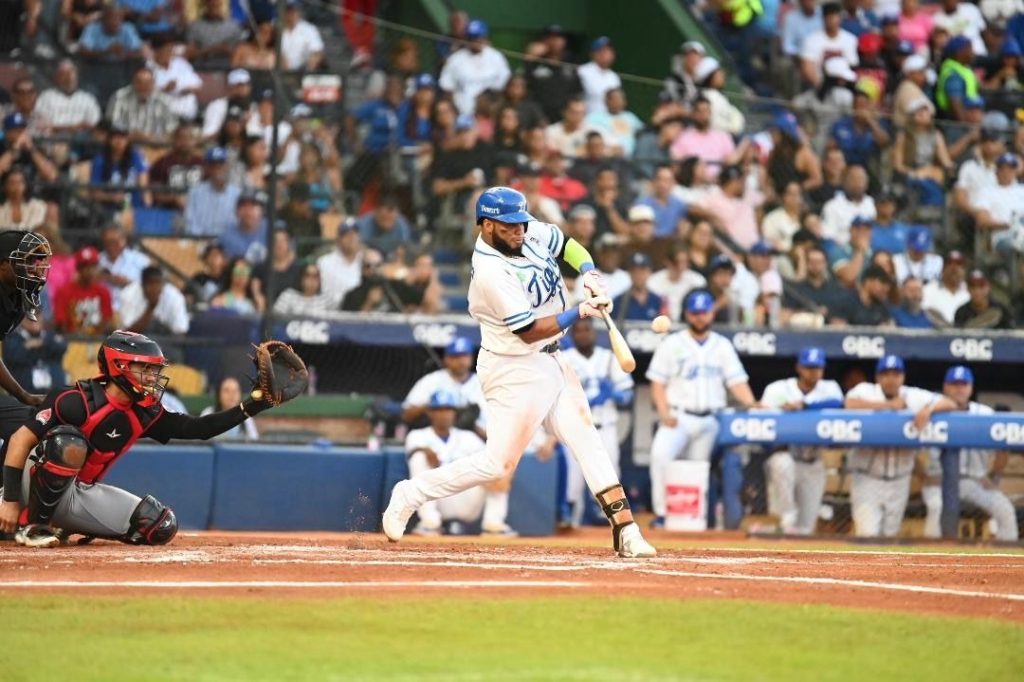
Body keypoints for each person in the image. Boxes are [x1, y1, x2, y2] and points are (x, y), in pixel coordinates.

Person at [383, 187, 656, 558]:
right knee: (498, 464)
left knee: (585, 436)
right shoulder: (490, 272)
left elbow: (568, 246)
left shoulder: (526, 231)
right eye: (509, 227)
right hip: (513, 367)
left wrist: (589, 273)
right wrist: (580, 310)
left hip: (553, 359)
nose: (519, 232)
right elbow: (529, 330)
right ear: (487, 225)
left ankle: (626, 530)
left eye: (521, 225)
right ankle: (410, 493)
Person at [0, 330, 284, 547]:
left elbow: (198, 429)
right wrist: (10, 500)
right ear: (118, 366)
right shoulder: (74, 399)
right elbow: (19, 441)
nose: (152, 377)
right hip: (26, 484)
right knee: (69, 444)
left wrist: (253, 404)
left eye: (154, 369)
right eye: (145, 368)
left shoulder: (146, 412)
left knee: (159, 525)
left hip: (76, 493)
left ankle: (66, 523)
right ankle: (32, 525)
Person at [646, 290, 757, 527]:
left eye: (703, 313)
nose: (699, 318)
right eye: (695, 313)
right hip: (678, 416)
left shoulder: (722, 346)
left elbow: (736, 381)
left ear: (711, 314)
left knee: (698, 469)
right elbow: (657, 383)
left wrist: (751, 402)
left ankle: (693, 519)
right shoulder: (672, 343)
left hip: (709, 420)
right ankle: (663, 513)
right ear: (687, 314)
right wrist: (664, 413)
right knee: (660, 455)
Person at [843, 354, 957, 538]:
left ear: (903, 377)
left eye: (896, 374)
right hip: (868, 478)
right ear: (878, 377)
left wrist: (928, 410)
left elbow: (950, 403)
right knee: (867, 534)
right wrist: (888, 405)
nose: (891, 378)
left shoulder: (913, 395)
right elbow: (849, 403)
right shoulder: (866, 391)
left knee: (890, 537)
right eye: (886, 374)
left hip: (900, 480)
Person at [921, 366, 1019, 541]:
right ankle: (932, 560)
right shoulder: (932, 413)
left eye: (963, 384)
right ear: (945, 387)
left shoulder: (984, 414)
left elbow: (1003, 446)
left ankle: (1005, 561)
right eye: (954, 384)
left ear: (971, 387)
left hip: (974, 481)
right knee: (936, 508)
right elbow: (909, 446)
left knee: (1005, 510)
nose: (959, 388)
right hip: (939, 481)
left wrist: (994, 476)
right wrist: (923, 476)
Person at [404, 389, 515, 537]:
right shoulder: (418, 435)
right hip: (436, 497)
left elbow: (494, 458)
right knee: (419, 457)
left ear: (455, 413)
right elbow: (413, 452)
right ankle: (429, 523)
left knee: (497, 468)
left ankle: (493, 524)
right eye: (439, 409)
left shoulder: (468, 437)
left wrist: (502, 475)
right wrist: (423, 450)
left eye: (448, 409)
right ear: (430, 412)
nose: (444, 414)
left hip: (467, 498)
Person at [760, 348, 844, 535]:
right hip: (786, 454)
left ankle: (796, 560)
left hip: (813, 461)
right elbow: (761, 423)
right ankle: (787, 514)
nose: (813, 372)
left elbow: (839, 403)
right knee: (782, 463)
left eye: (817, 368)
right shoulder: (777, 389)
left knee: (806, 528)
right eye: (808, 367)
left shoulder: (830, 388)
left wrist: (804, 407)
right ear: (799, 367)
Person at [561, 318, 634, 528]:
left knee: (610, 475)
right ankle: (570, 520)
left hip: (605, 426)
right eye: (579, 331)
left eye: (587, 330)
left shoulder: (609, 358)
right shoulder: (565, 359)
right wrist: (589, 400)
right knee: (573, 480)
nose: (583, 334)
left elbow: (627, 396)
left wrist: (614, 394)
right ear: (573, 335)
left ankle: (611, 522)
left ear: (594, 332)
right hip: (576, 428)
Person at [0, 231, 52, 440]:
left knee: (37, 425)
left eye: (38, 261)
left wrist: (23, 395)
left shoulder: (17, 297)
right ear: (4, 264)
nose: (36, 267)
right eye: (28, 260)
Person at [402, 336, 485, 434]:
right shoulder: (432, 380)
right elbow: (406, 415)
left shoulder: (485, 382)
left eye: (465, 355)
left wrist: (473, 427)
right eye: (456, 356)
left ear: (471, 358)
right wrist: (436, 405)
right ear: (446, 359)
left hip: (480, 441)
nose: (461, 361)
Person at [438, 19, 510, 116]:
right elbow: (447, 88)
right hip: (462, 114)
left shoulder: (496, 57)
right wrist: (455, 112)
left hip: (488, 115)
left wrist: (493, 109)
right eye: (472, 38)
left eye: (479, 37)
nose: (476, 41)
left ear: (485, 37)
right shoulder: (455, 59)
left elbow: (504, 86)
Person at [53, 246, 115, 336]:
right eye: (85, 267)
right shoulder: (64, 291)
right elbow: (61, 323)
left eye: (93, 266)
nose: (90, 271)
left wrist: (94, 337)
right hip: (72, 341)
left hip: (97, 340)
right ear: (78, 269)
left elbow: (107, 319)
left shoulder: (103, 292)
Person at [1, 315, 66, 396]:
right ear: (21, 319)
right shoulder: (12, 337)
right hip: (23, 398)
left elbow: (61, 346)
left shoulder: (49, 335)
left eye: (38, 315)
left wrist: (37, 343)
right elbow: (13, 356)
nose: (34, 319)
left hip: (53, 396)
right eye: (29, 317)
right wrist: (27, 347)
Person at [120, 265, 190, 336]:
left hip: (165, 341)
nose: (154, 288)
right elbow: (127, 333)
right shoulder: (129, 293)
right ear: (142, 284)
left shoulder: (175, 297)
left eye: (158, 283)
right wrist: (151, 307)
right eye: (150, 283)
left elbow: (181, 332)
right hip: (135, 342)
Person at [200, 377, 259, 441]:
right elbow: (200, 441)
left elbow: (254, 442)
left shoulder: (246, 416)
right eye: (226, 391)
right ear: (219, 394)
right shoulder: (208, 413)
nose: (231, 395)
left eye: (235, 391)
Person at [578, 36, 621, 114]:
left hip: (607, 121)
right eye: (602, 50)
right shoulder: (583, 71)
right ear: (593, 54)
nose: (606, 54)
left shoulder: (614, 77)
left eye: (609, 50)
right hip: (588, 120)